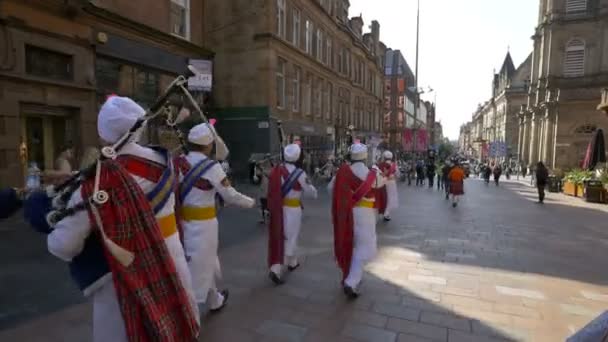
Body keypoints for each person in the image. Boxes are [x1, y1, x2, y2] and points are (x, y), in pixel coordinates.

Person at [27, 96, 200, 342]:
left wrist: (43, 221)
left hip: (125, 280)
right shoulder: (165, 160)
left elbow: (64, 245)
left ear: (102, 133)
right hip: (173, 267)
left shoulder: (95, 183)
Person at [175, 122, 255, 314]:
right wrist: (250, 202)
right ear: (208, 145)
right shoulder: (212, 167)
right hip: (204, 225)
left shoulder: (178, 162)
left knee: (202, 260)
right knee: (198, 265)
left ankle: (214, 300)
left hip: (183, 221)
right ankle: (191, 317)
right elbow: (230, 195)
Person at [329, 143, 385, 299]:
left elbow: (330, 189)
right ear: (365, 156)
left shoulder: (342, 172)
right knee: (364, 246)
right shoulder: (373, 173)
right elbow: (382, 182)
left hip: (347, 213)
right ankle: (351, 281)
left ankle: (350, 275)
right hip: (365, 215)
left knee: (349, 244)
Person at [267, 144, 318, 285]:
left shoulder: (277, 170)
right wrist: (313, 188)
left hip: (279, 208)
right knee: (290, 236)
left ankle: (293, 262)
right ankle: (276, 268)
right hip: (293, 209)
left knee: (282, 235)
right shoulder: (300, 173)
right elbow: (311, 192)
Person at [378, 150, 399, 221]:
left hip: (382, 182)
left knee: (383, 197)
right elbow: (398, 174)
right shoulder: (394, 165)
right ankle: (386, 213)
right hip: (391, 183)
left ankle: (381, 211)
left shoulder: (380, 164)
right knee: (390, 198)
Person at [254, 156, 273, 224]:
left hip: (270, 191)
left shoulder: (272, 170)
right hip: (263, 190)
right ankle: (263, 218)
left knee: (269, 205)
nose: (267, 163)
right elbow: (257, 175)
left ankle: (269, 217)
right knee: (263, 205)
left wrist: (261, 168)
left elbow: (269, 174)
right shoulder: (263, 169)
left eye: (268, 161)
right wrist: (257, 166)